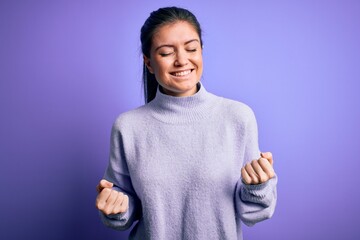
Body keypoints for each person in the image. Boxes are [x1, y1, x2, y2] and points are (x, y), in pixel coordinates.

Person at [95, 6, 277, 240]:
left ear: (201, 51)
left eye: (191, 48)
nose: (182, 60)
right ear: (148, 63)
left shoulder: (238, 117)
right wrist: (116, 206)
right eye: (166, 53)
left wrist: (258, 187)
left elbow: (252, 214)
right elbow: (128, 208)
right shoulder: (128, 127)